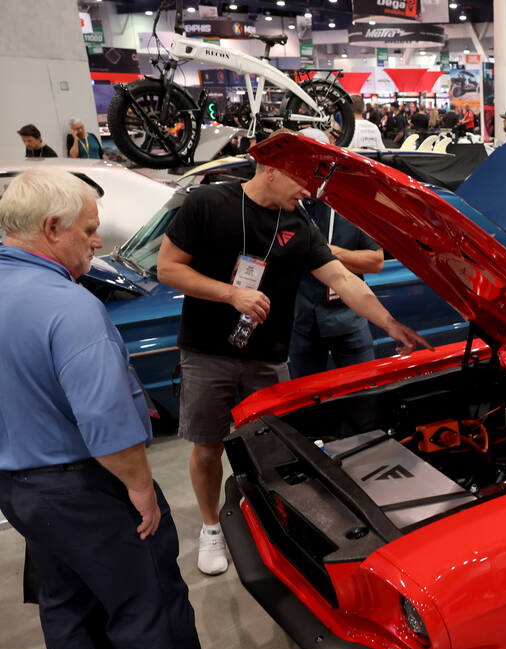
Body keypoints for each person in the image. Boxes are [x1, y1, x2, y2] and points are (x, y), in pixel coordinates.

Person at [0, 170, 249, 649]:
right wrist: (139, 489)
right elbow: (107, 420)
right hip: (88, 486)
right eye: (89, 230)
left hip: (20, 489)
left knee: (66, 598)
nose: (97, 242)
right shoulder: (69, 307)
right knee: (148, 596)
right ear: (51, 228)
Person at [156, 134, 430, 576]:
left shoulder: (299, 225)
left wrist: (390, 324)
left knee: (272, 450)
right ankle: (211, 526)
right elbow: (168, 268)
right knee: (207, 445)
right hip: (207, 352)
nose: (308, 191)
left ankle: (268, 522)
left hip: (268, 357)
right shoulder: (208, 203)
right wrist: (231, 294)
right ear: (271, 169)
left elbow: (344, 279)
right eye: (301, 180)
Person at [290, 200, 385, 378]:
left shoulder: (352, 206)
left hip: (349, 320)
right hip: (301, 322)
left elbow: (376, 262)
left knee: (365, 388)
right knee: (306, 393)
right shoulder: (287, 207)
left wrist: (323, 251)